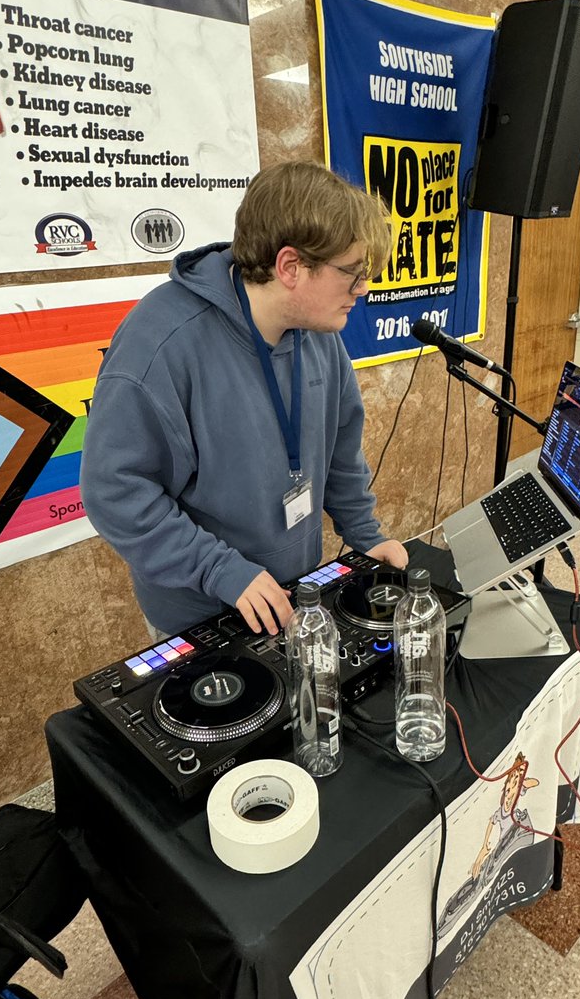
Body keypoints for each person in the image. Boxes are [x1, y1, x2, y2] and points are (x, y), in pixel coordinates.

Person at [80, 160, 408, 640]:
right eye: (352, 274)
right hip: (199, 612)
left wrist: (365, 536)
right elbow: (114, 491)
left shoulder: (320, 333)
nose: (363, 288)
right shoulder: (162, 342)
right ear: (291, 267)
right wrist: (221, 571)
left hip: (295, 591)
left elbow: (339, 448)